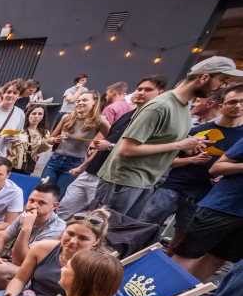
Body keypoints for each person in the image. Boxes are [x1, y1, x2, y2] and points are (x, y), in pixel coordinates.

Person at [95, 56, 242, 217]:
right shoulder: (160, 106)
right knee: (103, 229)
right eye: (222, 80)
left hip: (145, 182)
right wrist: (179, 145)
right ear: (204, 77)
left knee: (122, 230)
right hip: (123, 181)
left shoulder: (183, 107)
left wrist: (189, 146)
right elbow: (126, 149)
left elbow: (161, 141)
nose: (222, 86)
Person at [140, 85, 243, 243]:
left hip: (205, 195)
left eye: (242, 102)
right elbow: (166, 161)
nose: (238, 106)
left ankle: (167, 258)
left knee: (184, 238)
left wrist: (224, 174)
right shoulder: (197, 130)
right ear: (221, 105)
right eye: (233, 102)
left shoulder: (241, 138)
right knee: (143, 226)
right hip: (174, 186)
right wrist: (190, 160)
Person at [58, 76, 167, 219]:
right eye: (139, 89)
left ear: (160, 93)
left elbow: (132, 148)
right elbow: (106, 143)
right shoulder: (127, 115)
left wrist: (109, 146)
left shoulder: (153, 118)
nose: (141, 92)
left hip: (113, 178)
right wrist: (84, 166)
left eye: (148, 90)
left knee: (96, 218)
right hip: (92, 171)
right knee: (65, 208)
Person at [170, 103, 243, 283]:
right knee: (187, 254)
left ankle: (184, 292)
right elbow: (216, 168)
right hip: (223, 206)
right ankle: (158, 292)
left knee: (218, 258)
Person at [0, 183, 66, 293]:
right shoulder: (26, 214)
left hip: (33, 272)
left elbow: (22, 260)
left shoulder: (57, 229)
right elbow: (2, 236)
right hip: (14, 257)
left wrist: (26, 228)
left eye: (41, 203)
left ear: (55, 206)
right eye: (31, 200)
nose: (34, 206)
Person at [45, 91, 110, 195]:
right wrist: (53, 140)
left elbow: (111, 140)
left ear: (94, 102)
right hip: (55, 160)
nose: (80, 103)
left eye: (84, 100)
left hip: (75, 163)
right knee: (43, 190)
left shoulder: (99, 121)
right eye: (78, 100)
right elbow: (49, 139)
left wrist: (91, 155)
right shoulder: (67, 117)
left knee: (58, 196)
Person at [18, 103, 51, 175]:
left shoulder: (44, 132)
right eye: (34, 113)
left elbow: (40, 150)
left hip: (27, 164)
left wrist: (49, 142)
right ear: (28, 114)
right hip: (13, 162)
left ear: (43, 116)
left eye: (40, 114)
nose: (36, 116)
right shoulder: (19, 128)